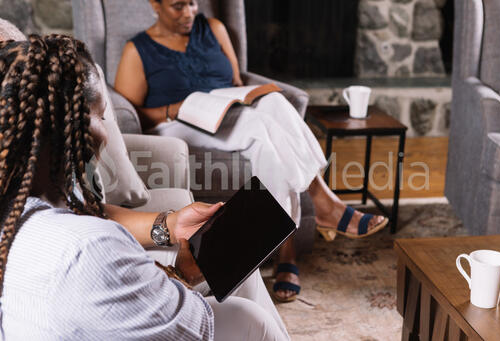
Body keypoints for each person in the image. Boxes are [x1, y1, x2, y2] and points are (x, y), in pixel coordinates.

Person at [0, 34, 290, 340]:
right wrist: (177, 278)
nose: (108, 134)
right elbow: (193, 328)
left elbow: (88, 211)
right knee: (248, 318)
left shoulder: (21, 192)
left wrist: (170, 224)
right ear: (70, 125)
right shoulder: (91, 249)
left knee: (236, 271)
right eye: (101, 116)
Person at [114, 0, 389, 302]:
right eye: (178, 5)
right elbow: (131, 114)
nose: (189, 12)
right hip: (176, 124)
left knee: (270, 118)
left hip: (226, 113)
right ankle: (313, 218)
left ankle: (286, 247)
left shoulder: (214, 29)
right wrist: (174, 108)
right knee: (259, 128)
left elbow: (236, 81)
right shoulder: (136, 50)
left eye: (193, 3)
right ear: (155, 4)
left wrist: (236, 99)